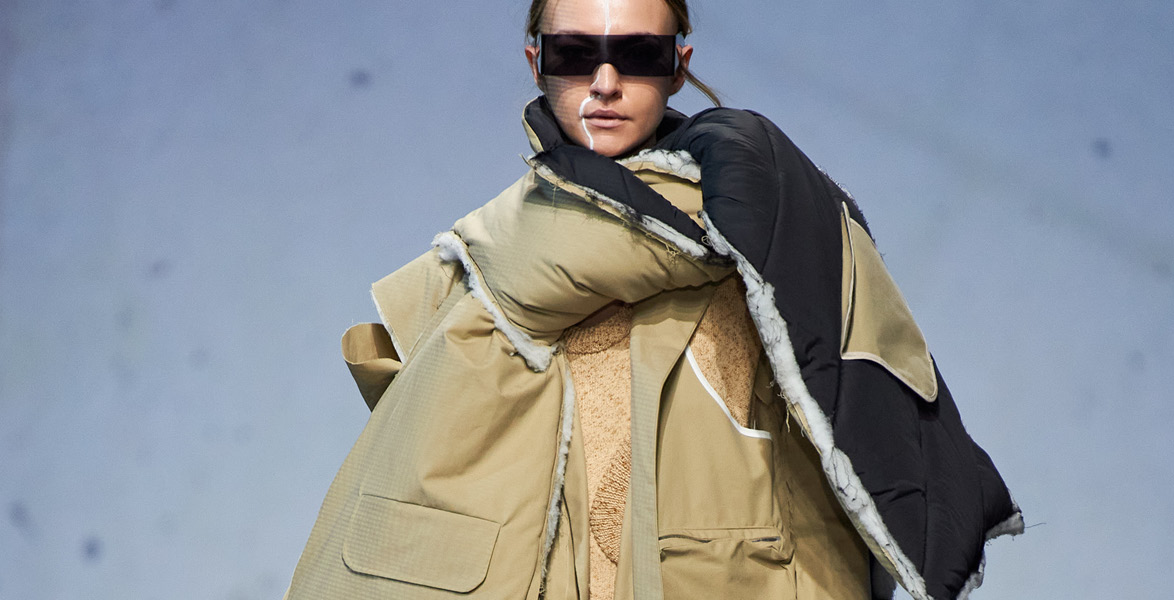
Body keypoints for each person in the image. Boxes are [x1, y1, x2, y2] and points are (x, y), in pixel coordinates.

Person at [282, 1, 1023, 599]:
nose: (605, 82)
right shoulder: (485, 269)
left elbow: (847, 456)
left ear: (679, 67)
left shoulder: (766, 243)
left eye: (638, 55)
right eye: (576, 54)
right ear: (537, 63)